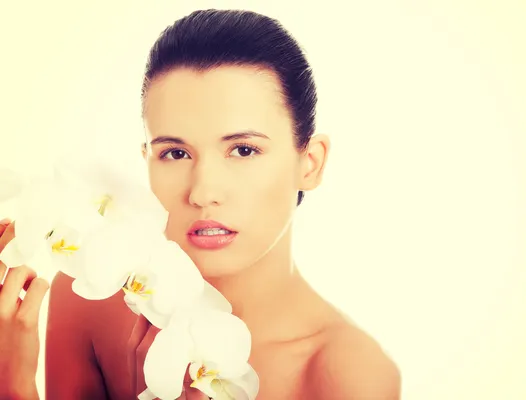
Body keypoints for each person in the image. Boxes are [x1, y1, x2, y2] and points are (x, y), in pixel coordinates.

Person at [0, 9, 401, 400]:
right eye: (175, 153)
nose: (203, 192)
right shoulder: (89, 292)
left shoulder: (348, 375)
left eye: (243, 150)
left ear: (309, 163)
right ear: (147, 160)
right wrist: (13, 386)